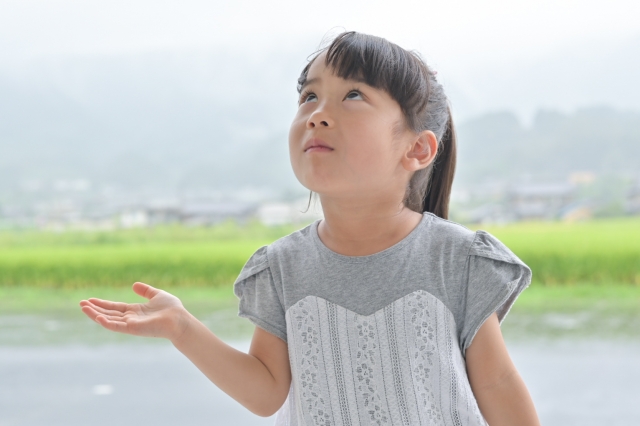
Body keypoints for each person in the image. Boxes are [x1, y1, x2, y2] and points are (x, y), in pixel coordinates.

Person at [80, 31, 540, 425]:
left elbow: (498, 386)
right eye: (309, 96)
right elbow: (266, 392)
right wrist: (182, 328)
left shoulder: (455, 259)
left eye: (354, 95)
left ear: (418, 150)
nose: (318, 113)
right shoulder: (282, 267)